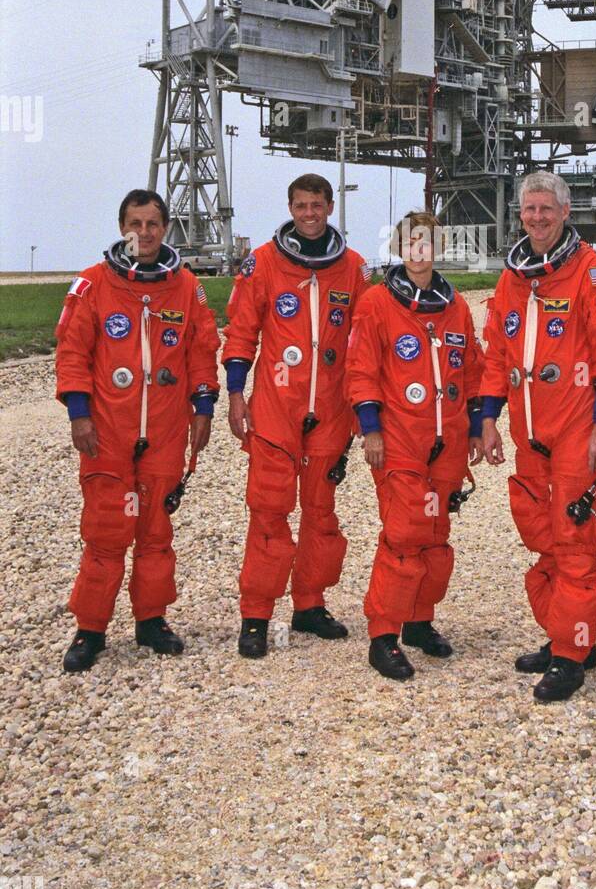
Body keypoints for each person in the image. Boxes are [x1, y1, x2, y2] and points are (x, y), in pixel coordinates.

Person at [480, 172, 596, 703]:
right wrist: (487, 419)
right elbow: (498, 352)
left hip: (578, 431)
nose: (538, 217)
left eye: (547, 209)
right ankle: (568, 634)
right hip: (530, 433)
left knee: (573, 541)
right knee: (541, 534)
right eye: (529, 209)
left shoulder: (595, 274)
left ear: (566, 212)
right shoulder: (515, 278)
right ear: (519, 214)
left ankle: (571, 656)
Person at [55, 189, 220, 672]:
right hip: (108, 429)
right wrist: (79, 412)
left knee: (155, 531)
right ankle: (91, 629)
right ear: (122, 226)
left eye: (153, 224)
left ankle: (151, 620)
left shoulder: (186, 287)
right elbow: (72, 352)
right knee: (106, 532)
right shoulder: (93, 284)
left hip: (166, 430)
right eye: (135, 223)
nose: (144, 233)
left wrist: (204, 405)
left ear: (165, 228)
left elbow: (201, 349)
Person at [223, 173, 369, 657]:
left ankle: (309, 603)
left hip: (330, 409)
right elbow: (241, 333)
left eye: (317, 205)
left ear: (330, 207)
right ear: (291, 207)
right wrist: (236, 394)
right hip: (275, 409)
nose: (309, 213)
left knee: (322, 513)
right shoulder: (262, 263)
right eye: (301, 205)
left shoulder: (352, 268)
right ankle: (256, 615)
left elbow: (366, 344)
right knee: (268, 511)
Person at [345, 211, 484, 681]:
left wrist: (483, 425)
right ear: (401, 248)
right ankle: (382, 635)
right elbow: (360, 370)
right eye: (413, 241)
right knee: (404, 535)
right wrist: (371, 430)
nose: (421, 250)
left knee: (435, 535)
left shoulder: (455, 306)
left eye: (429, 241)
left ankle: (419, 622)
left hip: (447, 440)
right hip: (400, 439)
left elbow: (473, 370)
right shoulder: (376, 303)